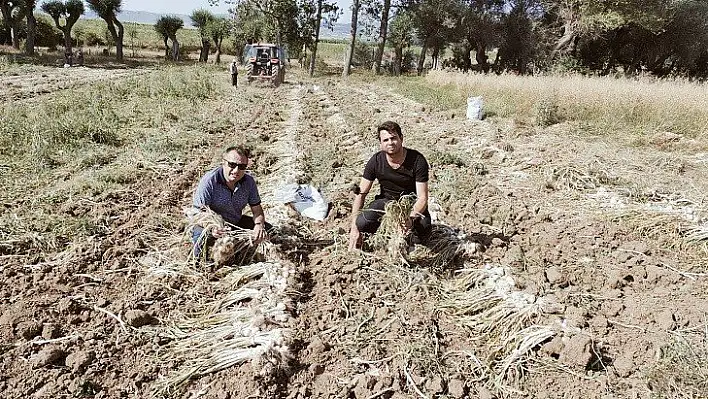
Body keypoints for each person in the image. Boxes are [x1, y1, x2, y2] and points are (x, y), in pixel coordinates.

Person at [348, 121, 432, 250]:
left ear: (401, 138)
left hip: (411, 203)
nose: (390, 143)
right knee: (362, 223)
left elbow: (422, 198)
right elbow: (361, 194)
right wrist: (354, 228)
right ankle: (385, 232)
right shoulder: (376, 161)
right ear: (381, 143)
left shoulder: (417, 160)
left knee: (424, 229)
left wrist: (409, 218)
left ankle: (408, 235)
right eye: (385, 140)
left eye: (393, 138)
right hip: (387, 202)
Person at [192, 146, 271, 258]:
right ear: (223, 163)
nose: (236, 171)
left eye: (242, 167)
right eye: (232, 165)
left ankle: (246, 254)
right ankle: (201, 266)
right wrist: (212, 227)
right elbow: (197, 213)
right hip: (212, 226)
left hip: (234, 222)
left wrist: (259, 225)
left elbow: (257, 210)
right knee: (201, 238)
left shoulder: (249, 182)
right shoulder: (210, 181)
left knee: (269, 231)